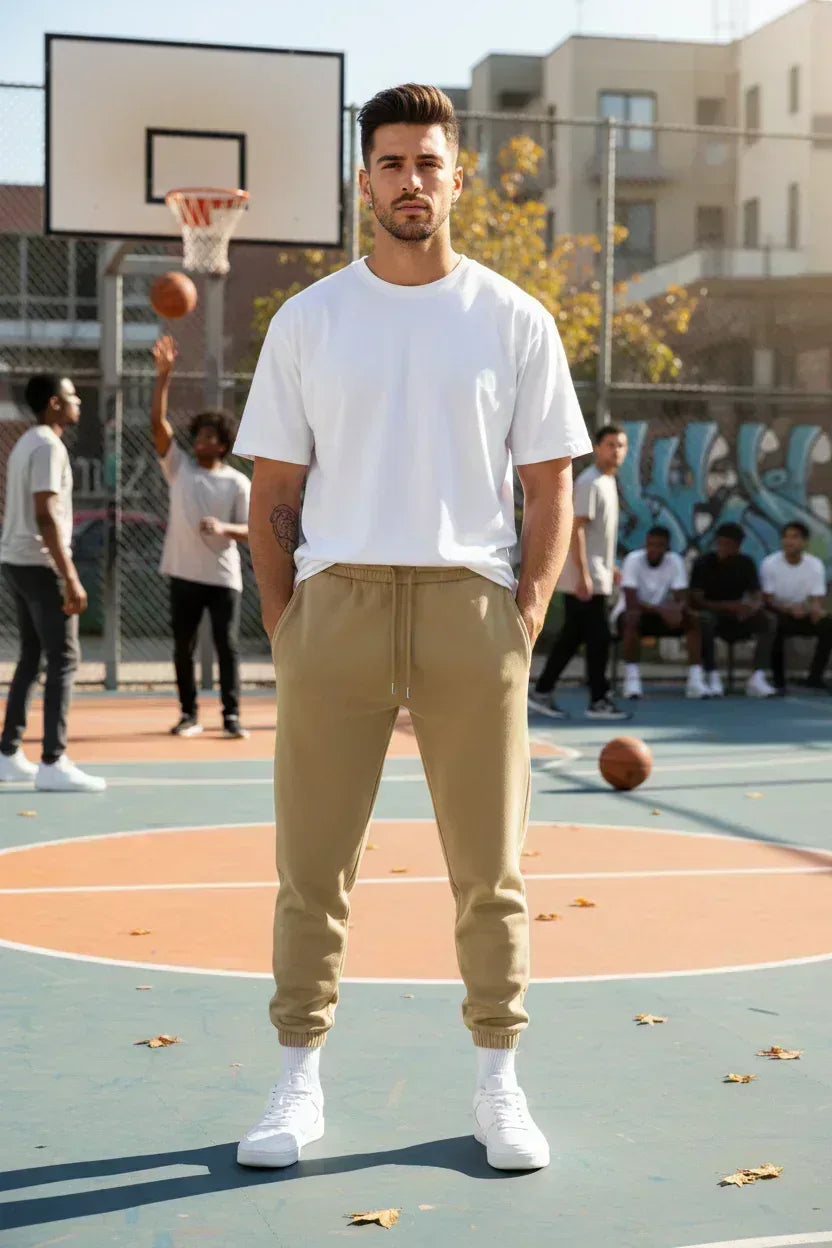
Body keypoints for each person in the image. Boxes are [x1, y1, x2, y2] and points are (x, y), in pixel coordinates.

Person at [233, 84, 592, 1173]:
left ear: (456, 177)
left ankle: (498, 1085)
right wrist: (290, 627)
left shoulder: (513, 318)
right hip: (335, 607)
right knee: (312, 866)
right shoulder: (310, 320)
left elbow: (547, 489)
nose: (408, 182)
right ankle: (297, 1083)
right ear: (364, 178)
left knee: (490, 870)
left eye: (427, 163)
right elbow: (273, 492)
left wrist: (519, 617)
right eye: (390, 163)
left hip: (466, 610)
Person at [0, 375, 105, 791]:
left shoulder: (29, 441)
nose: (77, 400)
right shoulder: (47, 445)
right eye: (70, 395)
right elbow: (44, 513)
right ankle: (53, 760)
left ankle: (8, 753)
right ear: (53, 403)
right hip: (40, 564)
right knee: (64, 658)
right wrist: (70, 575)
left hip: (17, 560)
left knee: (32, 656)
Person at [150, 336, 251, 739]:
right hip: (183, 574)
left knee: (227, 648)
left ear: (223, 444)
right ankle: (189, 714)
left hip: (223, 578)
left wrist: (225, 529)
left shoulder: (237, 482)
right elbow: (158, 425)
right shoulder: (180, 469)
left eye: (210, 437)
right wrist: (164, 378)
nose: (201, 442)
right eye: (199, 435)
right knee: (182, 648)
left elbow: (251, 531)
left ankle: (231, 716)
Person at [528, 424, 629, 720]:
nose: (616, 450)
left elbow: (599, 534)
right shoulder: (590, 483)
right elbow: (577, 530)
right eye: (610, 444)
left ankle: (543, 691)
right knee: (596, 639)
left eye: (621, 445)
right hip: (583, 580)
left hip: (596, 575)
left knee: (573, 638)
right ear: (597, 448)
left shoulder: (608, 482)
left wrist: (610, 566)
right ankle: (597, 700)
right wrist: (583, 575)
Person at [618, 525, 708, 700]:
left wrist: (677, 610)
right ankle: (632, 680)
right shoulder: (633, 560)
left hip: (662, 616)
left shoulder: (675, 561)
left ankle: (695, 680)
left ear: (667, 548)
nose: (653, 549)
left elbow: (682, 598)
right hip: (634, 614)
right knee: (632, 618)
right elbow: (631, 601)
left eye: (659, 545)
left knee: (693, 619)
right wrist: (662, 609)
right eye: (650, 544)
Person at [689, 522, 776, 698]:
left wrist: (751, 608)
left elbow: (756, 594)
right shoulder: (703, 563)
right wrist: (727, 606)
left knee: (769, 620)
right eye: (720, 543)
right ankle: (711, 675)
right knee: (703, 620)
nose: (723, 548)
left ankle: (757, 677)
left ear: (737, 546)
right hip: (712, 613)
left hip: (738, 616)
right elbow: (696, 600)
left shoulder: (746, 563)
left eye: (728, 544)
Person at [761, 520, 831, 692]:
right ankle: (779, 681)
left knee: (829, 624)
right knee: (773, 624)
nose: (789, 541)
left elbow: (817, 599)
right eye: (785, 537)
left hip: (803, 612)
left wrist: (811, 610)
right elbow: (767, 599)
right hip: (779, 611)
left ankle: (814, 678)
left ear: (805, 542)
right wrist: (789, 609)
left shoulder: (815, 565)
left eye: (795, 537)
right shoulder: (770, 563)